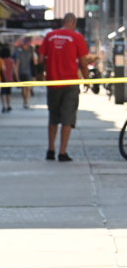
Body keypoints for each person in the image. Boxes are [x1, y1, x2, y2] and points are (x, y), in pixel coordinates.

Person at [41, 13, 90, 162]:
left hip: (52, 82)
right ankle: (62, 152)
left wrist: (46, 71)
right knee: (67, 119)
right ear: (73, 22)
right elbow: (82, 62)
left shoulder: (49, 36)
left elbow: (41, 58)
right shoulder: (77, 37)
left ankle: (50, 150)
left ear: (63, 22)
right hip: (70, 84)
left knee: (53, 117)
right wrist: (87, 80)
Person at [15, 41, 34, 109]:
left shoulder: (21, 53)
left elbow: (17, 65)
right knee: (26, 88)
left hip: (25, 72)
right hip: (25, 72)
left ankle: (26, 101)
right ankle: (26, 101)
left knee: (25, 88)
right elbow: (17, 65)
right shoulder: (28, 53)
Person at [0, 45, 17, 113]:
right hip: (9, 79)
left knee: (3, 93)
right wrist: (17, 78)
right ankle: (9, 105)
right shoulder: (11, 60)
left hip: (2, 79)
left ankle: (4, 106)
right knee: (8, 93)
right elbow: (15, 70)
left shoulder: (0, 60)